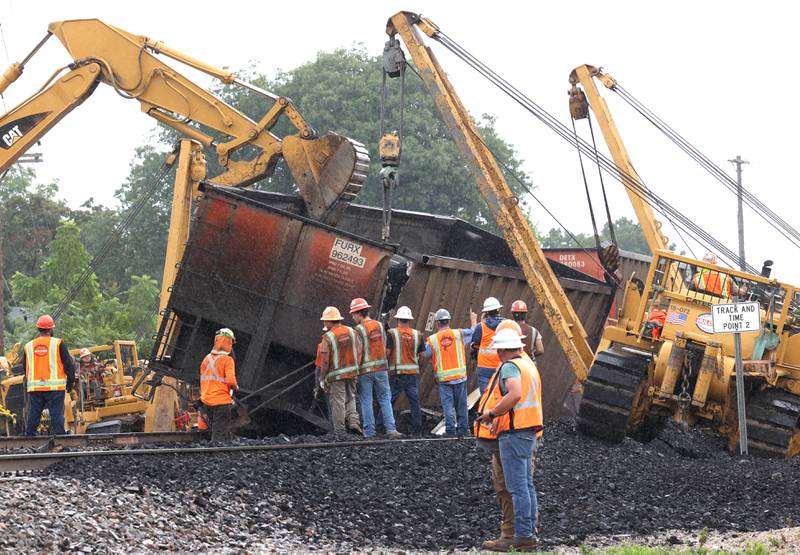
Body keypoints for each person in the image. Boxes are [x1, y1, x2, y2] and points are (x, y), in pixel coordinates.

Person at [476, 328, 543, 552]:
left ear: (502, 349)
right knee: (527, 485)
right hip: (529, 431)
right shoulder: (528, 365)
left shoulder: (510, 367)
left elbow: (514, 394)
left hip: (514, 432)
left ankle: (522, 537)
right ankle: (529, 533)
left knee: (517, 488)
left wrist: (492, 413)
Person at [350, 297, 402, 439]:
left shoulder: (358, 330)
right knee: (385, 398)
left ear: (357, 313)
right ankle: (391, 429)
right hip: (381, 369)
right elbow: (384, 347)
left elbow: (358, 352)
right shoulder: (380, 325)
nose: (352, 317)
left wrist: (355, 372)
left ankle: (369, 432)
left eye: (353, 314)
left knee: (366, 400)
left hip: (365, 371)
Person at [424, 308, 476, 436]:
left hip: (444, 380)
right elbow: (474, 333)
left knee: (448, 406)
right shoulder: (458, 334)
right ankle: (463, 430)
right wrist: (473, 320)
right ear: (448, 321)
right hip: (460, 378)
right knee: (461, 405)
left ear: (437, 323)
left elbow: (425, 354)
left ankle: (450, 430)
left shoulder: (432, 339)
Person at [21, 314, 76, 436]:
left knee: (33, 414)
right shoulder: (58, 343)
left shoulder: (28, 346)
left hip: (35, 388)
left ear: (38, 329)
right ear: (51, 329)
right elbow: (68, 364)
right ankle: (60, 438)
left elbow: (25, 368)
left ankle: (28, 439)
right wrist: (71, 382)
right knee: (56, 415)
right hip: (55, 389)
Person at [317, 306, 362, 436]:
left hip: (337, 375)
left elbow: (325, 362)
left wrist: (322, 379)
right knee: (351, 397)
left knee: (338, 401)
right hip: (353, 372)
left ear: (330, 321)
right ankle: (354, 422)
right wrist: (356, 366)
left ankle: (340, 431)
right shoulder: (352, 331)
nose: (324, 323)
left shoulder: (328, 337)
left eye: (325, 320)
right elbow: (359, 350)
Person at [387, 306, 426, 435]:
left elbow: (387, 353)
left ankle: (382, 428)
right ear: (409, 320)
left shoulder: (392, 333)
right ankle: (417, 430)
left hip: (397, 374)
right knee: (414, 402)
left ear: (398, 319)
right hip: (412, 374)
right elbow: (423, 356)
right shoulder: (418, 334)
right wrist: (417, 367)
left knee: (388, 400)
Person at [199, 327, 238, 442]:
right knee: (219, 432)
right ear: (230, 343)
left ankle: (223, 448)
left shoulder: (206, 358)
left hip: (206, 401)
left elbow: (202, 378)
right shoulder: (227, 360)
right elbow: (231, 381)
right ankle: (216, 453)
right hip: (221, 402)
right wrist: (236, 387)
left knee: (218, 428)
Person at [471, 296, 505, 393]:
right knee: (499, 397)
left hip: (484, 368)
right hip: (501, 367)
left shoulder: (480, 327)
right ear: (498, 310)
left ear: (486, 312)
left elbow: (474, 344)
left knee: (486, 398)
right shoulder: (506, 324)